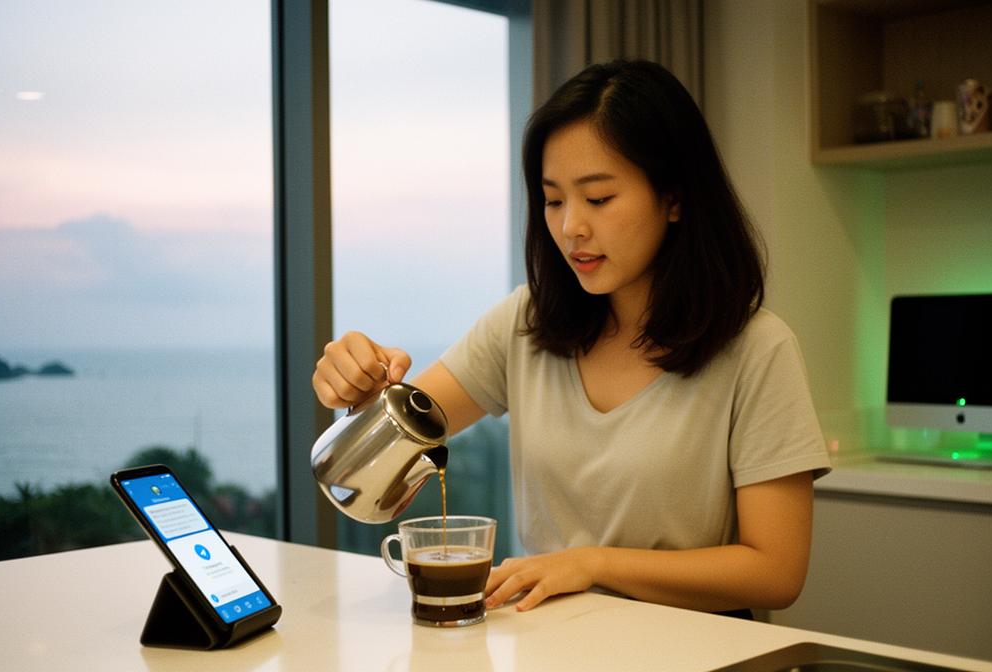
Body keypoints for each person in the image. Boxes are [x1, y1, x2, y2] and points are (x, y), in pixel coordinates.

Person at [312, 59, 832, 616]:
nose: (570, 227)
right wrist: (358, 390)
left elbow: (775, 572)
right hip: (550, 644)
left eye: (599, 198)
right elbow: (393, 446)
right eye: (554, 199)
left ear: (675, 198)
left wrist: (591, 563)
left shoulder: (756, 349)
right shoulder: (524, 325)